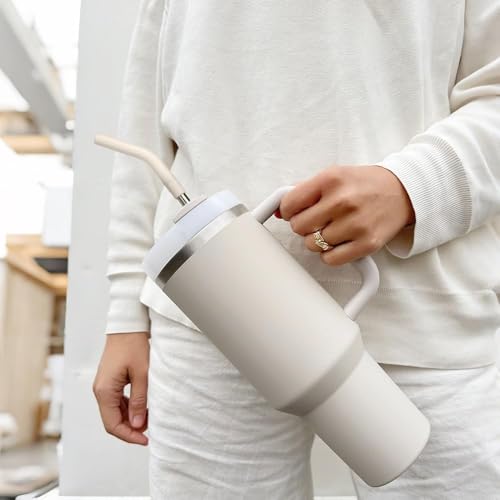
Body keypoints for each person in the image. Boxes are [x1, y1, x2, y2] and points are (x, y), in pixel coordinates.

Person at [92, 1, 500, 498]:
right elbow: (146, 120)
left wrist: (410, 187)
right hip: (209, 313)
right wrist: (125, 313)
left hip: (421, 309)